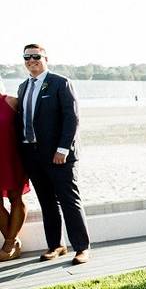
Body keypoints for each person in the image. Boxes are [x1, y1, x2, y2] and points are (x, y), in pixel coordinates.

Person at [16, 44, 91, 264]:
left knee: (69, 200)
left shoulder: (60, 83)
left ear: (45, 57)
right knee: (47, 202)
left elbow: (72, 118)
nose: (31, 60)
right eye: (27, 57)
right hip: (33, 155)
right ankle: (56, 245)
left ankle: (82, 248)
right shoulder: (23, 87)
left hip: (59, 155)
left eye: (35, 56)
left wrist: (62, 149)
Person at [0, 85, 29, 260]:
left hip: (13, 157)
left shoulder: (12, 102)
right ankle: (13, 241)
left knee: (15, 197)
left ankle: (9, 244)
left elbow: (31, 125)